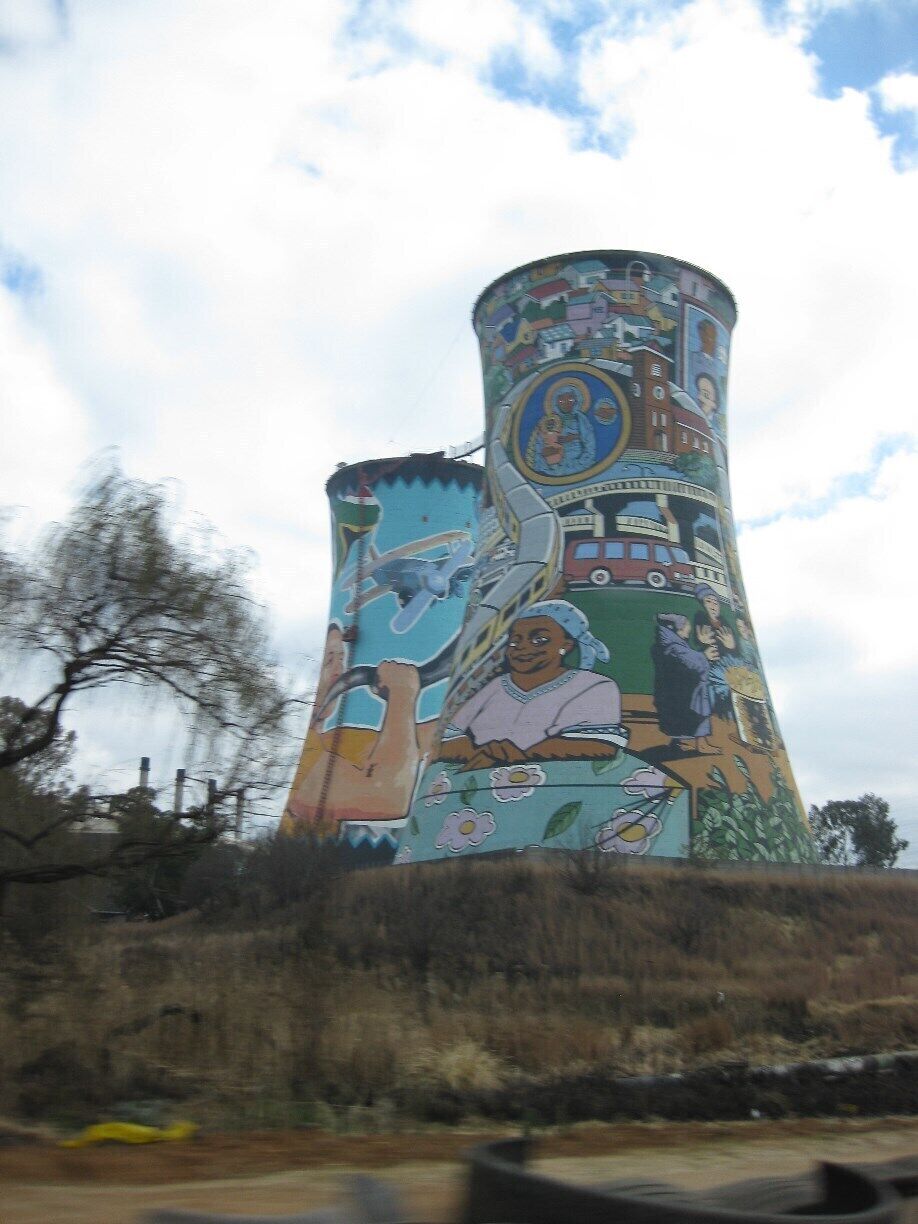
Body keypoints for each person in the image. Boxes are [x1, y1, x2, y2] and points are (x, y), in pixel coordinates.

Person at [439, 600, 625, 770]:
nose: (522, 647)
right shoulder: (496, 687)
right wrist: (479, 754)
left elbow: (599, 744)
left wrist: (516, 757)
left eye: (539, 640)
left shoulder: (595, 686)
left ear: (566, 645)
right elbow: (448, 736)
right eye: (515, 641)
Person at [652, 613, 720, 754]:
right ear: (678, 629)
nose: (688, 631)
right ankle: (701, 744)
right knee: (699, 715)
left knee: (679, 717)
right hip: (687, 692)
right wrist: (705, 656)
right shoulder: (674, 647)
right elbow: (692, 661)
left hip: (676, 693)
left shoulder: (666, 644)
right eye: (686, 628)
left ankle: (678, 742)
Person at [527, 383, 596, 477]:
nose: (566, 403)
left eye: (570, 399)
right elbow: (540, 446)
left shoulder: (580, 419)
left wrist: (575, 438)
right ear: (556, 402)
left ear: (576, 400)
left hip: (580, 465)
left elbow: (590, 444)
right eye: (561, 400)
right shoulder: (549, 421)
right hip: (553, 468)